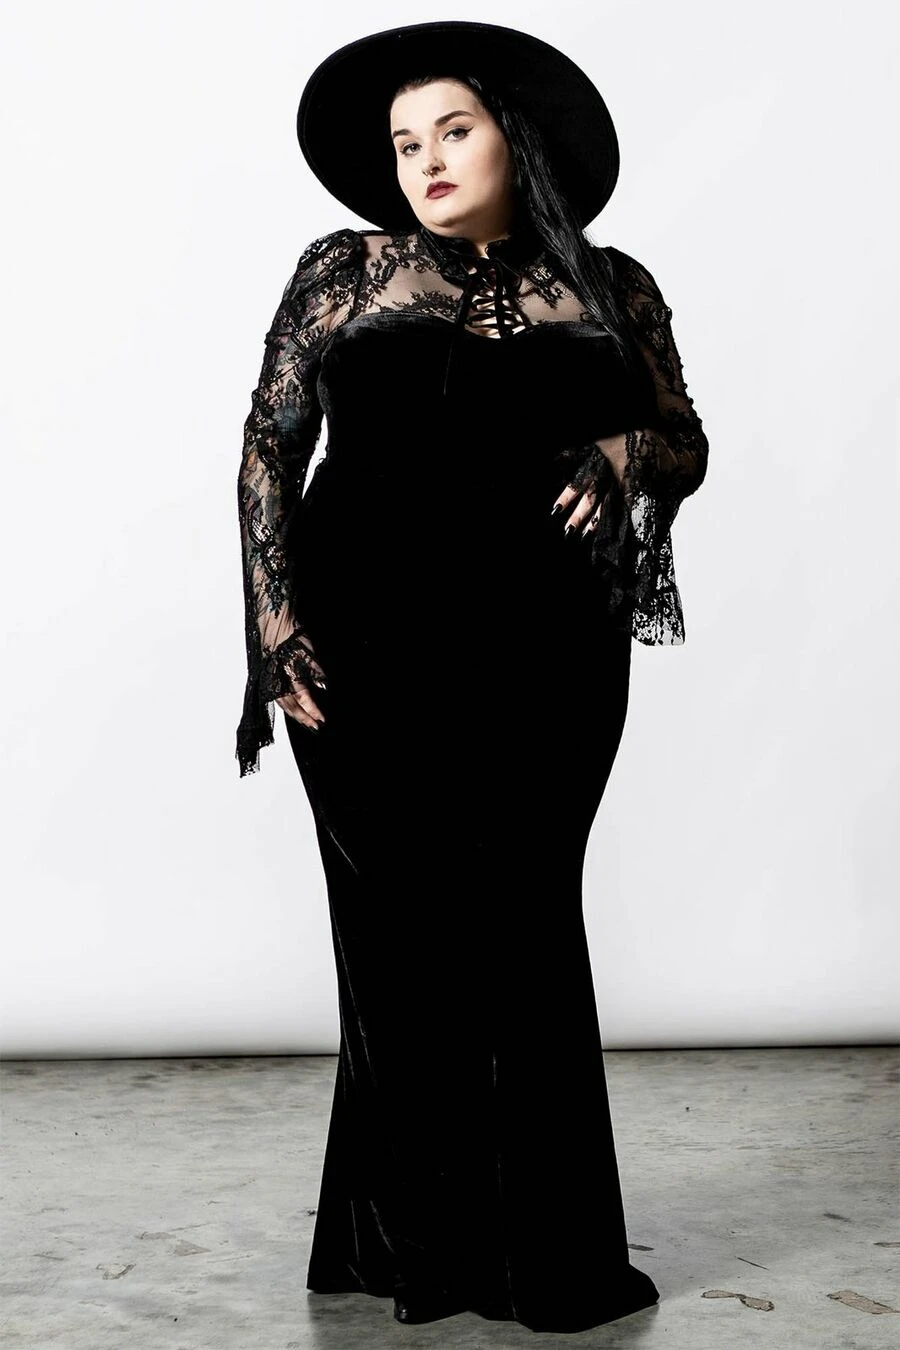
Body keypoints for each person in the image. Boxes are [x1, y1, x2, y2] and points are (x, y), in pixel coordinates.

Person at [234, 19, 708, 1335]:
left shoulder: (611, 286)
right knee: (402, 936)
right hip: (364, 650)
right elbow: (270, 445)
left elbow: (683, 437)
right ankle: (416, 1249)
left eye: (454, 129)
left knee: (525, 919)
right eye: (406, 143)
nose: (427, 160)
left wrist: (620, 451)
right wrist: (274, 627)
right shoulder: (345, 272)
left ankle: (542, 1253)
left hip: (551, 652)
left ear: (516, 136)